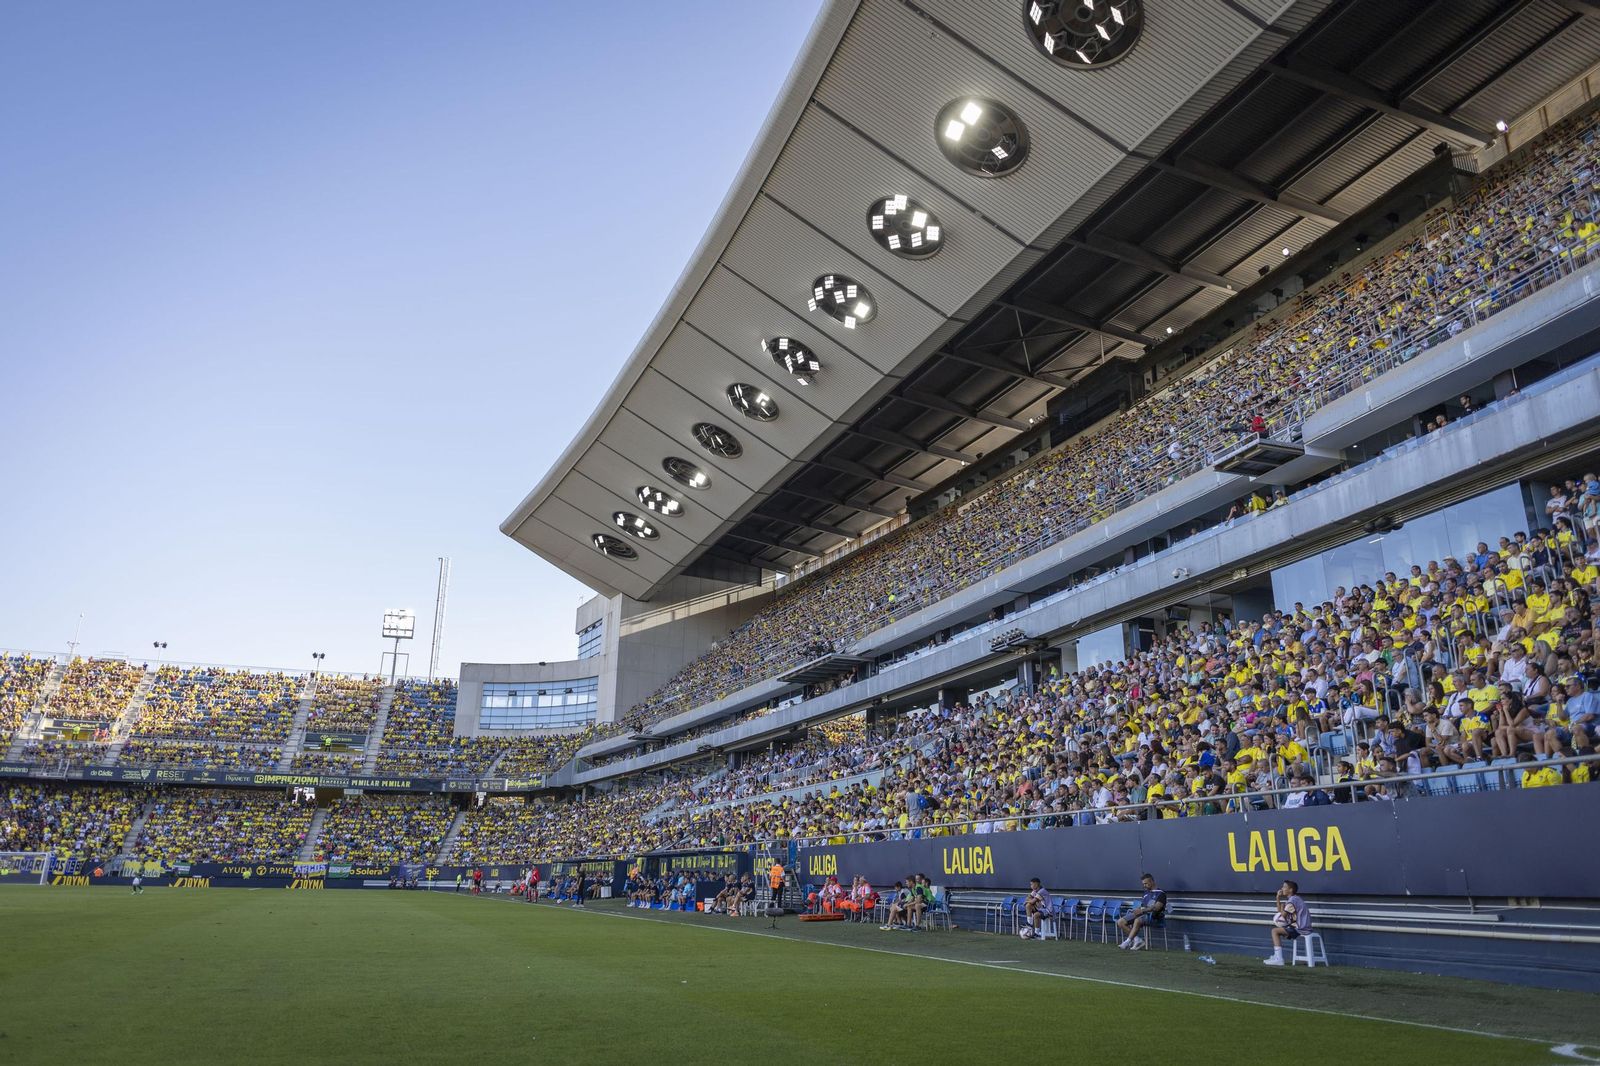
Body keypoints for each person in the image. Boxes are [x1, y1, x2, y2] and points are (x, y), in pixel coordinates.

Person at [1263, 880, 1312, 966]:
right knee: (1281, 931)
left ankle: (1279, 959)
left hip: (1300, 928)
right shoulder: (1295, 899)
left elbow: (1282, 915)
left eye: (1284, 887)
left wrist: (1282, 908)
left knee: (1274, 931)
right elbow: (1280, 912)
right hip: (1303, 927)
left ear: (1290, 890)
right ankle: (1277, 956)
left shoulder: (1292, 901)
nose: (1282, 888)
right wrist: (1278, 898)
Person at [1116, 873, 1166, 950]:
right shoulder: (1146, 894)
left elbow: (1156, 908)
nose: (1144, 885)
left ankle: (1127, 942)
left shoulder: (1161, 894)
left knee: (1138, 920)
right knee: (1120, 922)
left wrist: (1142, 910)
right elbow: (1143, 906)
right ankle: (1137, 940)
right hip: (1143, 913)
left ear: (1152, 882)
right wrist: (1137, 909)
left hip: (1154, 917)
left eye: (1146, 883)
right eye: (1143, 884)